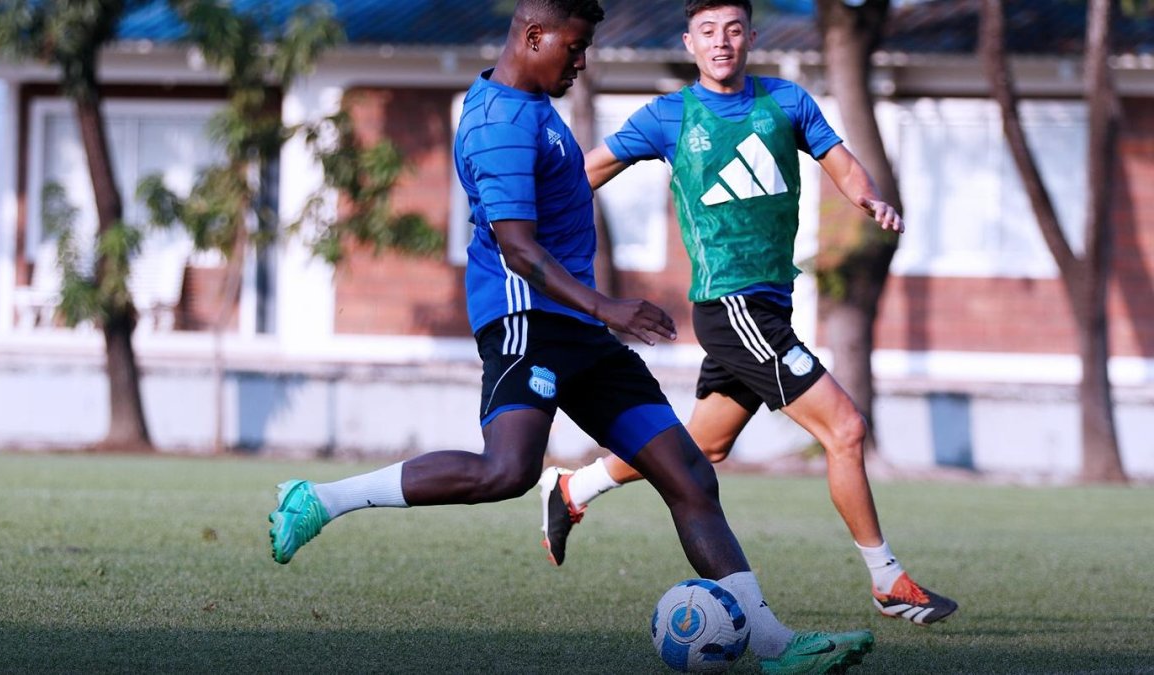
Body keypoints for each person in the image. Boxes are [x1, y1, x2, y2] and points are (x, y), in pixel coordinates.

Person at [270, 0, 875, 671]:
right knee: (506, 470)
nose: (582, 63)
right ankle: (322, 500)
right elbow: (519, 249)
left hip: (580, 328)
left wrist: (595, 313)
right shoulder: (497, 122)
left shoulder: (531, 104)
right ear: (534, 36)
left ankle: (772, 644)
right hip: (527, 320)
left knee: (690, 474)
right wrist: (606, 305)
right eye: (576, 48)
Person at [538, 0, 958, 627]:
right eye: (708, 31)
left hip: (770, 304)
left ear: (750, 38)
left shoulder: (786, 103)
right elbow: (587, 170)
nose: (722, 42)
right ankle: (887, 580)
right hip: (730, 304)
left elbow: (840, 161)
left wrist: (868, 198)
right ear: (690, 42)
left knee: (702, 446)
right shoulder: (670, 116)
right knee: (844, 429)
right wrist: (523, 220)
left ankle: (574, 488)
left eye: (733, 30)